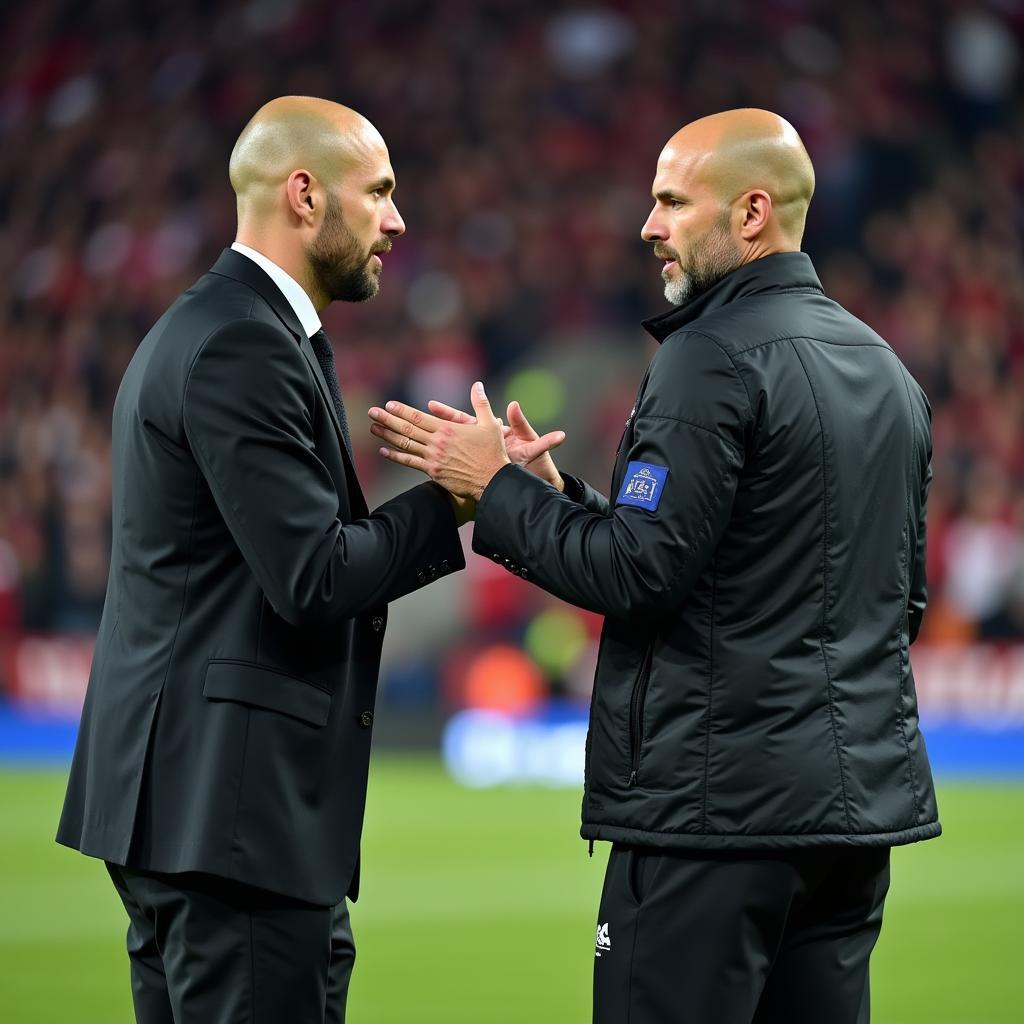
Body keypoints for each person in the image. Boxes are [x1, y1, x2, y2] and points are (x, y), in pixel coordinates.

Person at [369, 108, 940, 1023]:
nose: (649, 226)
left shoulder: (707, 356)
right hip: (849, 821)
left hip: (711, 819)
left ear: (751, 212)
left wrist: (495, 491)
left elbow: (638, 576)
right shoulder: (886, 371)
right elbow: (888, 597)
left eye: (673, 201)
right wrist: (556, 496)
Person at [55, 96, 562, 1023]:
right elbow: (314, 577)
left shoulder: (213, 328)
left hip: (195, 814)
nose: (397, 220)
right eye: (378, 192)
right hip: (232, 820)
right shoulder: (244, 344)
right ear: (303, 194)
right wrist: (458, 499)